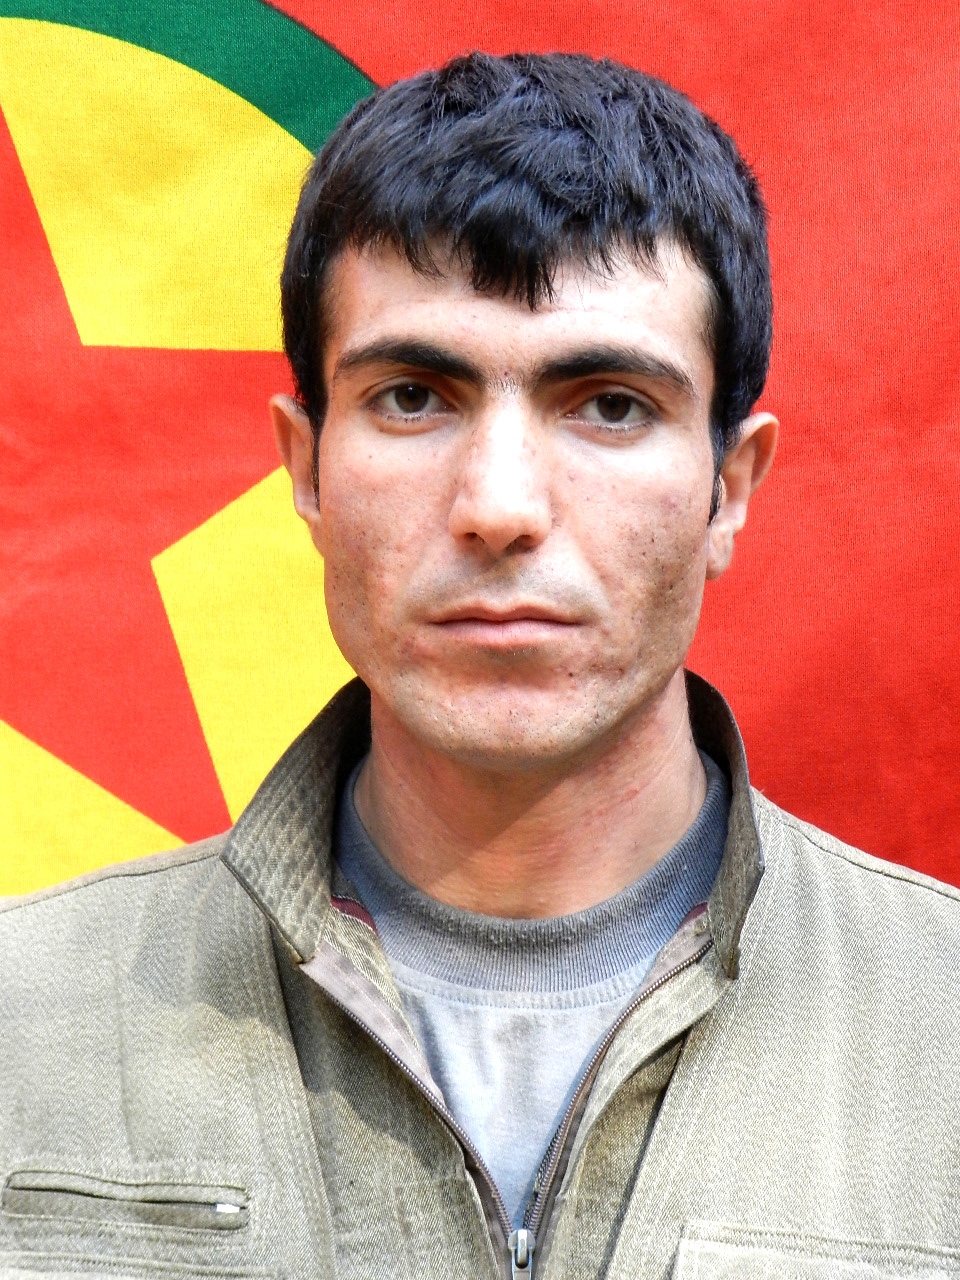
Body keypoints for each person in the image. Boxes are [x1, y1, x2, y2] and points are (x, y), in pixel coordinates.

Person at [1, 51, 958, 1280]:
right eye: (413, 396)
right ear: (305, 466)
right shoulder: (26, 1018)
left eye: (609, 404)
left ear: (729, 486)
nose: (500, 506)